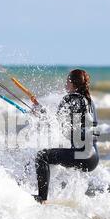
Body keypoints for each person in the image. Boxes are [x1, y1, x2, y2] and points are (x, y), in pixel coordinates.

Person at [33, 69, 100, 204]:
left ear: (72, 83)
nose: (65, 83)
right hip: (93, 156)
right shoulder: (89, 101)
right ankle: (67, 198)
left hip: (83, 154)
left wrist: (40, 112)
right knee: (52, 156)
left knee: (42, 157)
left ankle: (42, 199)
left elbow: (56, 122)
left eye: (67, 80)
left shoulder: (71, 98)